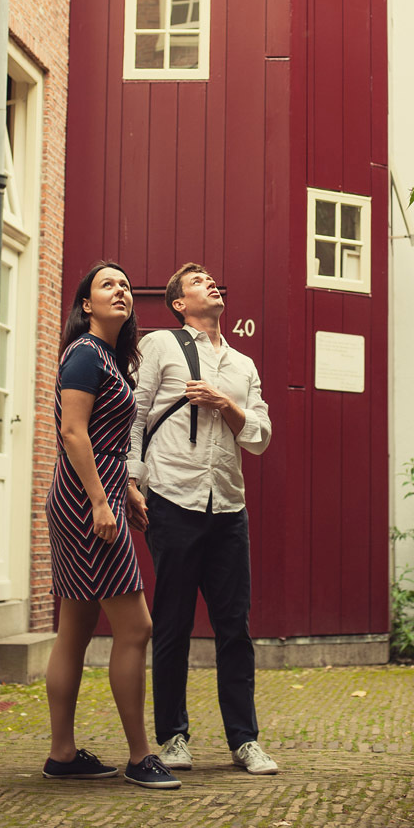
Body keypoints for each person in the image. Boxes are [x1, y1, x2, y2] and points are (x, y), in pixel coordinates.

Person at [127, 263, 277, 775]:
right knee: (172, 624)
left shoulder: (243, 364)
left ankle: (245, 740)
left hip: (228, 507)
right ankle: (172, 737)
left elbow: (258, 436)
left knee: (235, 628)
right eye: (197, 282)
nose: (212, 283)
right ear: (178, 303)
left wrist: (224, 403)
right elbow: (137, 412)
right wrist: (130, 479)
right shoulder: (160, 347)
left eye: (214, 279)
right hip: (173, 498)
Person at [43, 261, 180, 790]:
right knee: (136, 627)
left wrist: (126, 491)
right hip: (84, 502)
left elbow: (103, 440)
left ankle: (62, 753)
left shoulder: (112, 359)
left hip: (95, 495)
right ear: (86, 305)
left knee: (75, 626)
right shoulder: (83, 355)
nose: (120, 290)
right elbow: (73, 433)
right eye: (107, 284)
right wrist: (102, 502)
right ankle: (141, 755)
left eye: (124, 285)